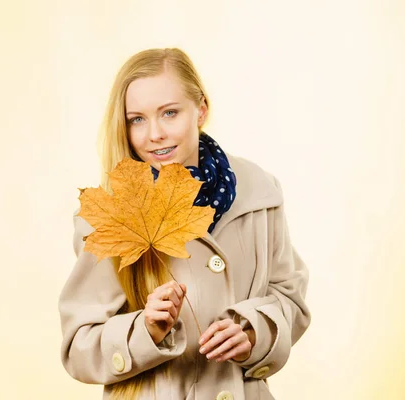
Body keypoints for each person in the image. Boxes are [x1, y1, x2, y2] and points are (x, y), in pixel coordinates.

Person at [58, 47, 311, 400]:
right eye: (137, 119)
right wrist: (144, 329)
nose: (155, 134)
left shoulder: (258, 190)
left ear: (201, 110)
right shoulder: (113, 212)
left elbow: (291, 298)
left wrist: (254, 330)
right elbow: (78, 346)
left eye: (170, 113)